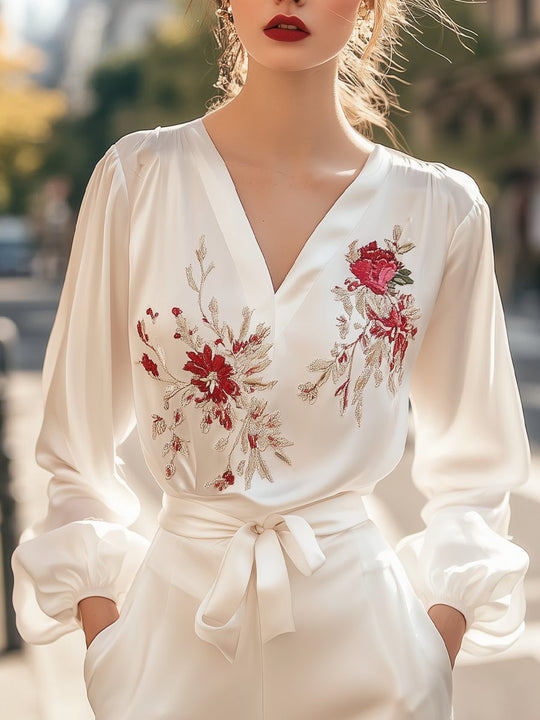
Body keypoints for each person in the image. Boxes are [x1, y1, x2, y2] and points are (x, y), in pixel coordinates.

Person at [11, 1, 531, 718]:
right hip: (169, 663)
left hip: (373, 663)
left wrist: (431, 649)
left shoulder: (439, 209)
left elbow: (476, 470)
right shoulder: (139, 179)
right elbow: (74, 454)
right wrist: (111, 647)